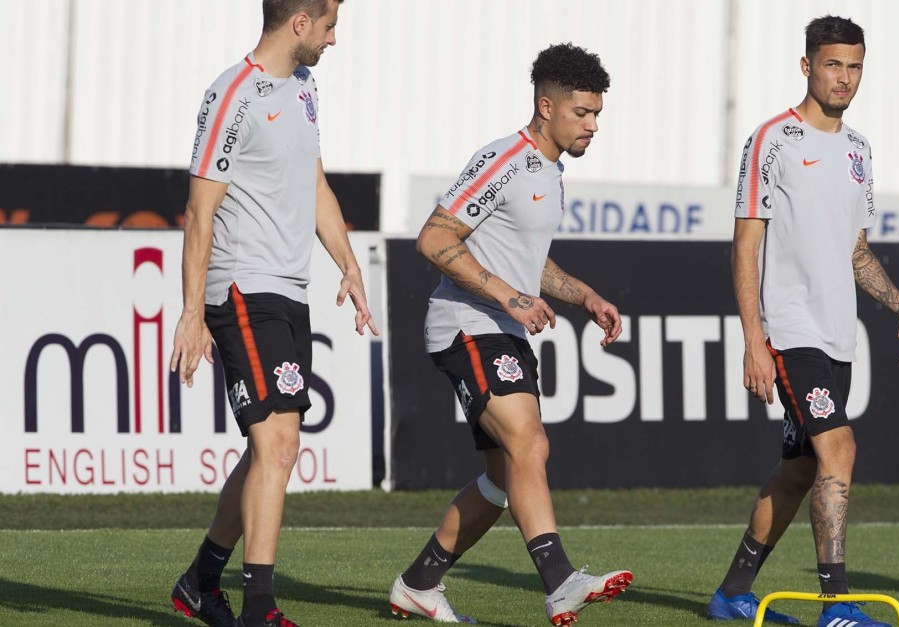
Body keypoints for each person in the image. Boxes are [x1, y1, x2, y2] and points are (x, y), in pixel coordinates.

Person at [387, 43, 632, 627]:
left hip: (503, 328)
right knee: (531, 443)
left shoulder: (551, 172)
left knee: (502, 482)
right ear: (546, 107)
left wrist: (585, 296)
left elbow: (531, 261)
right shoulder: (506, 158)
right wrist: (509, 297)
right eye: (583, 113)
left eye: (598, 114)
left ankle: (418, 584)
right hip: (467, 324)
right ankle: (560, 581)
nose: (593, 125)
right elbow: (435, 238)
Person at [707, 15, 899, 627]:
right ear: (807, 66)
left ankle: (732, 594)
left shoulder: (858, 150)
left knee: (802, 469)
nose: (844, 78)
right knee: (840, 447)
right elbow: (745, 244)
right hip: (790, 331)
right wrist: (755, 339)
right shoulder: (771, 139)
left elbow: (854, 249)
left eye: (855, 67)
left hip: (838, 336)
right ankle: (837, 606)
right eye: (833, 65)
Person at [168, 1, 377, 626]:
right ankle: (260, 607)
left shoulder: (306, 89)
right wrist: (192, 310)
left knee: (269, 449)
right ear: (301, 23)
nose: (335, 41)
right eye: (331, 26)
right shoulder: (230, 95)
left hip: (291, 291)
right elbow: (199, 210)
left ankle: (200, 582)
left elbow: (314, 184)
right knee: (279, 446)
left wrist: (348, 262)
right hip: (240, 290)